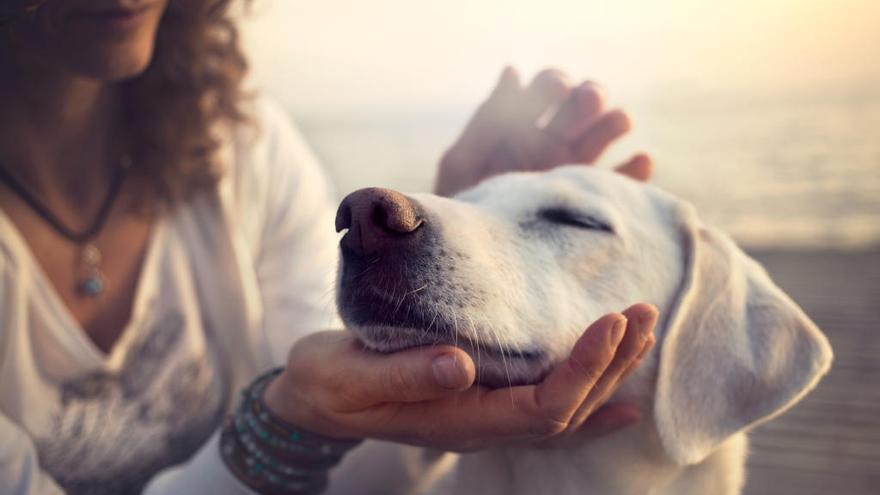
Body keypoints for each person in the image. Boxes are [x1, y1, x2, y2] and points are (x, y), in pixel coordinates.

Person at [0, 1, 658, 494]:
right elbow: (315, 415)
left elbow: (358, 469)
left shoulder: (239, 147)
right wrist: (285, 417)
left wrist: (456, 249)